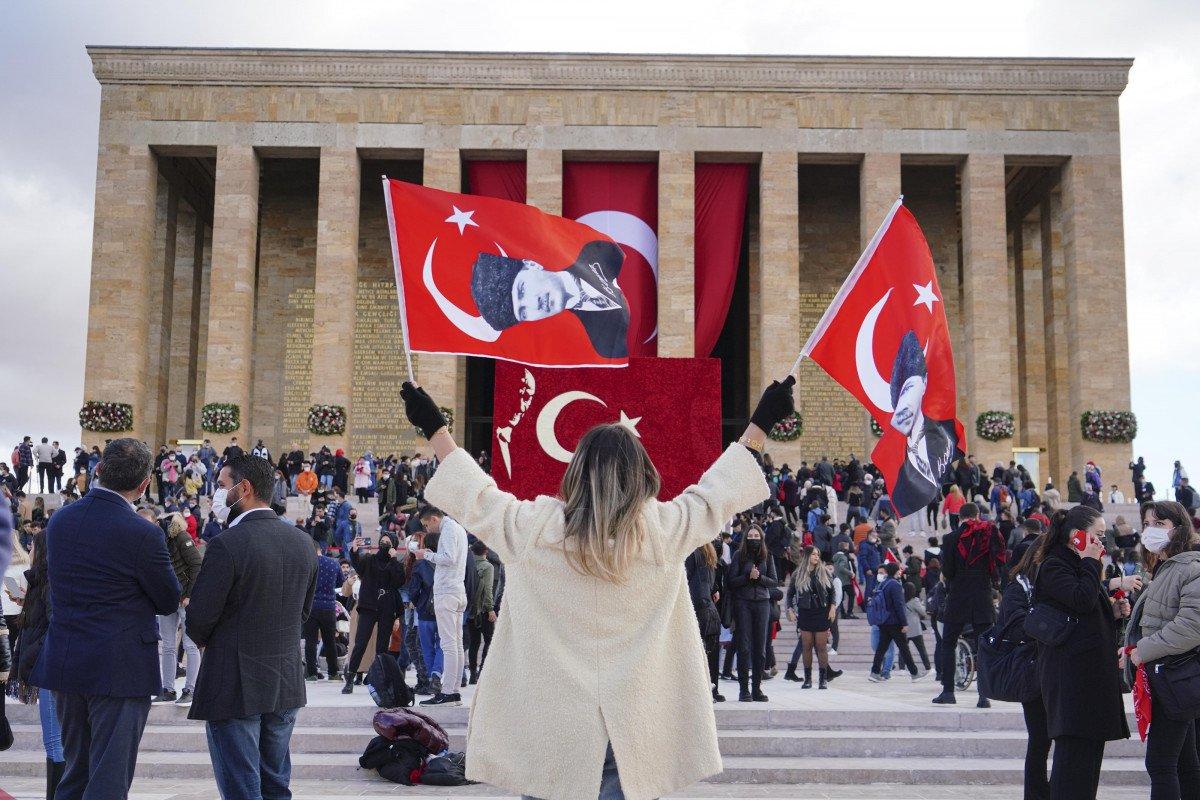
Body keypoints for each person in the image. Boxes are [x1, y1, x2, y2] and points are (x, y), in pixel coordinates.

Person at [398, 374, 792, 799]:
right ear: (641, 473)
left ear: (576, 471)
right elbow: (717, 493)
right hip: (633, 725)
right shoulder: (664, 531)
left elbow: (475, 496)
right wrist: (761, 423)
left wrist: (435, 427)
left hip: (553, 727)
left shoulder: (532, 530)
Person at [31, 438, 181, 798]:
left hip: (68, 660)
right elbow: (167, 599)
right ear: (144, 485)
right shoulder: (144, 533)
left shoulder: (61, 520)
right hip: (120, 666)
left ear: (98, 470)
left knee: (74, 774)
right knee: (109, 779)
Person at [185, 454, 317, 799]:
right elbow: (302, 613)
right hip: (284, 678)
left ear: (244, 488)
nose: (218, 492)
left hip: (235, 682)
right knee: (275, 784)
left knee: (242, 787)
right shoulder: (304, 542)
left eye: (223, 485)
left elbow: (199, 619)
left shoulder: (227, 543)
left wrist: (209, 640)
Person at [1033, 505, 1129, 799]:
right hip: (1071, 682)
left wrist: (1113, 613)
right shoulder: (1055, 566)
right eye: (1097, 534)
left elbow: (1084, 612)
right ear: (1076, 536)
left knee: (1088, 764)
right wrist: (1091, 561)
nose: (1101, 542)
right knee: (1072, 763)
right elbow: (1080, 600)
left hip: (1090, 680)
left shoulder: (1079, 565)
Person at [1125, 500, 1200, 798]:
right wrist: (1131, 648)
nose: (1150, 530)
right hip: (1166, 676)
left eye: (1159, 524)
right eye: (1146, 524)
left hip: (1176, 676)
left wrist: (1143, 650)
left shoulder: (1191, 568)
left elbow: (1191, 626)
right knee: (1185, 763)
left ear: (1178, 528)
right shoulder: (1165, 569)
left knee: (1160, 763)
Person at [470, 241, 632, 359]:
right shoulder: (603, 345)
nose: (534, 303)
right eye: (523, 312)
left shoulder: (600, 251)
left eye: (522, 289)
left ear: (531, 265)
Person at [933, 502, 1004, 707]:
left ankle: (948, 692)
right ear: (978, 515)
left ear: (960, 517)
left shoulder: (950, 538)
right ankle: (984, 696)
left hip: (958, 597)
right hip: (982, 596)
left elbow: (948, 571)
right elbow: (997, 563)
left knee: (948, 643)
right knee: (984, 646)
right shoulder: (988, 534)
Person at [999, 541, 1050, 800]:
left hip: (1052, 668)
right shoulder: (1017, 588)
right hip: (1031, 670)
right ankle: (1036, 794)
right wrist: (1049, 624)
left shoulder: (1046, 586)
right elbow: (1016, 625)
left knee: (1050, 738)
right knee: (1040, 738)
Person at [414, 506, 469, 706]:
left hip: (447, 593)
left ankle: (448, 692)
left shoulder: (448, 529)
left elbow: (448, 558)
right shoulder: (458, 528)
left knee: (449, 645)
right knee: (456, 644)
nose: (427, 530)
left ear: (434, 519)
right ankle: (453, 691)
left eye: (426, 525)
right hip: (456, 591)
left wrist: (426, 555)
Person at [341, 532, 406, 693]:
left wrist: (393, 559)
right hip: (368, 606)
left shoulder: (395, 563)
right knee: (360, 643)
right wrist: (354, 551)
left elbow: (399, 581)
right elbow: (359, 567)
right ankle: (350, 678)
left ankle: (380, 680)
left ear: (394, 545)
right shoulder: (370, 560)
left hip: (387, 608)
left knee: (382, 647)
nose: (384, 544)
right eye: (382, 541)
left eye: (388, 542)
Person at [153, 512, 203, 706]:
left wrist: (190, 594)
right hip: (168, 599)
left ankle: (190, 689)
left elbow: (196, 564)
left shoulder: (182, 537)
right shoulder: (158, 540)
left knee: (190, 645)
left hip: (185, 599)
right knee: (167, 645)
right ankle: (168, 689)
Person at [727, 524, 780, 702]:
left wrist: (760, 578)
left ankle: (757, 688)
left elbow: (774, 581)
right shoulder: (738, 555)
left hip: (762, 603)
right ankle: (744, 689)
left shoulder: (767, 556)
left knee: (760, 648)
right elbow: (731, 581)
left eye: (757, 536)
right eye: (751, 536)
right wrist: (747, 577)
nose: (754, 538)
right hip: (743, 602)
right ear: (746, 538)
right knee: (744, 647)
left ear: (761, 537)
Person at [784, 546, 836, 688]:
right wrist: (790, 609)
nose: (816, 557)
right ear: (807, 556)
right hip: (805, 612)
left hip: (822, 612)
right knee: (806, 646)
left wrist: (832, 607)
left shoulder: (824, 572)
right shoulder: (798, 573)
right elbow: (790, 594)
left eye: (817, 555)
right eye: (813, 554)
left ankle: (823, 679)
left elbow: (832, 592)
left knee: (821, 646)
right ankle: (808, 679)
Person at [868, 562, 925, 681]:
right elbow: (899, 605)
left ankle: (874, 672)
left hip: (884, 621)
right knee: (904, 648)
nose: (900, 571)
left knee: (881, 649)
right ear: (895, 571)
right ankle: (914, 673)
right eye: (899, 570)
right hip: (895, 622)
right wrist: (904, 623)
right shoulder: (896, 585)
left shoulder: (883, 584)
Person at [685, 539, 725, 702]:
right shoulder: (706, 552)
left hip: (700, 607)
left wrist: (714, 589)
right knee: (708, 653)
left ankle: (705, 691)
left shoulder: (696, 552)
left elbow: (687, 579)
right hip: (706, 608)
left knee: (702, 652)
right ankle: (709, 690)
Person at [304, 539, 344, 681]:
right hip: (329, 607)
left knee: (310, 641)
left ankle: (312, 673)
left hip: (311, 607)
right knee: (330, 641)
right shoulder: (334, 563)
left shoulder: (308, 563)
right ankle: (333, 673)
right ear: (320, 549)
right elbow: (340, 582)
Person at [467, 539, 496, 684]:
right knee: (489, 641)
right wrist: (490, 609)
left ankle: (472, 674)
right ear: (486, 551)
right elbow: (488, 589)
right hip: (483, 610)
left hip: (470, 610)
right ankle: (482, 671)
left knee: (474, 642)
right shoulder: (488, 566)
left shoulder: (468, 565)